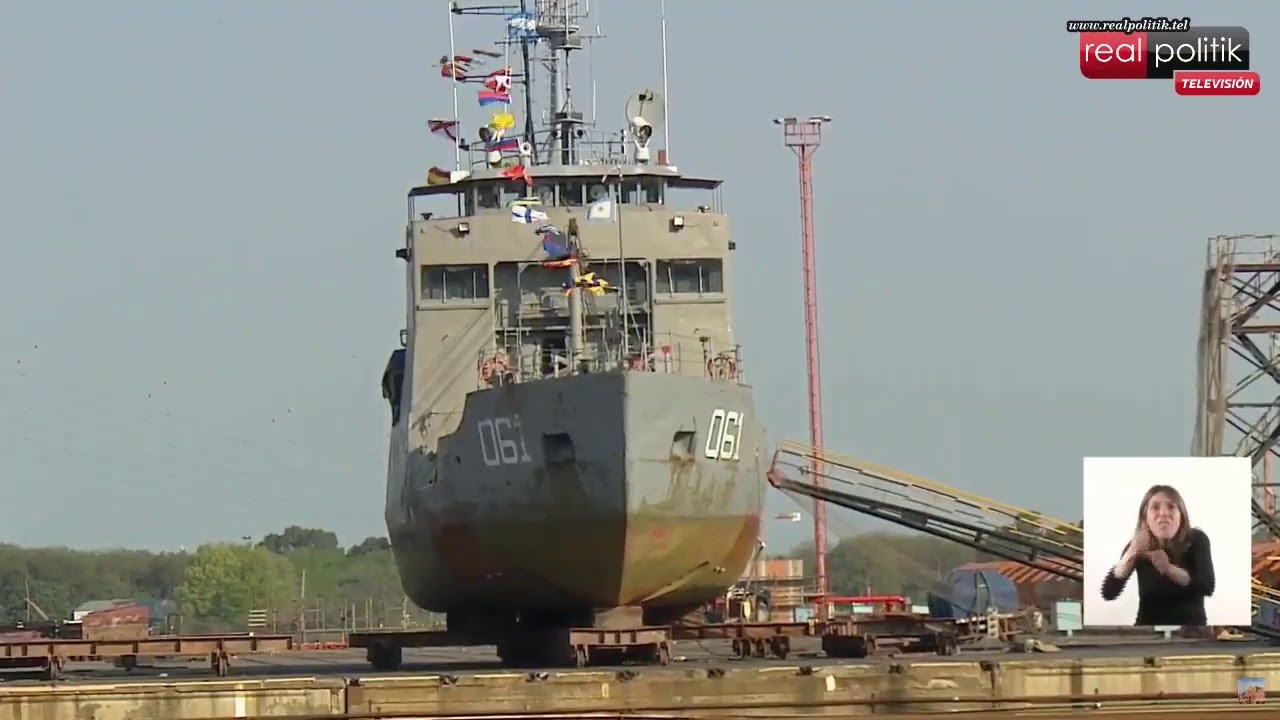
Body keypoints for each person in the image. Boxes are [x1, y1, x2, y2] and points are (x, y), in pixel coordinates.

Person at [1099, 484, 1215, 626]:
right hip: (1147, 632)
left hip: (1190, 631)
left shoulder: (1197, 539)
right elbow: (1109, 593)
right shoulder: (1138, 546)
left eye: (1171, 507)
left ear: (1181, 515)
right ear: (1145, 517)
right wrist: (1130, 554)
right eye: (1155, 507)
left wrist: (1169, 569)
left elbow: (1207, 587)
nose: (1163, 513)